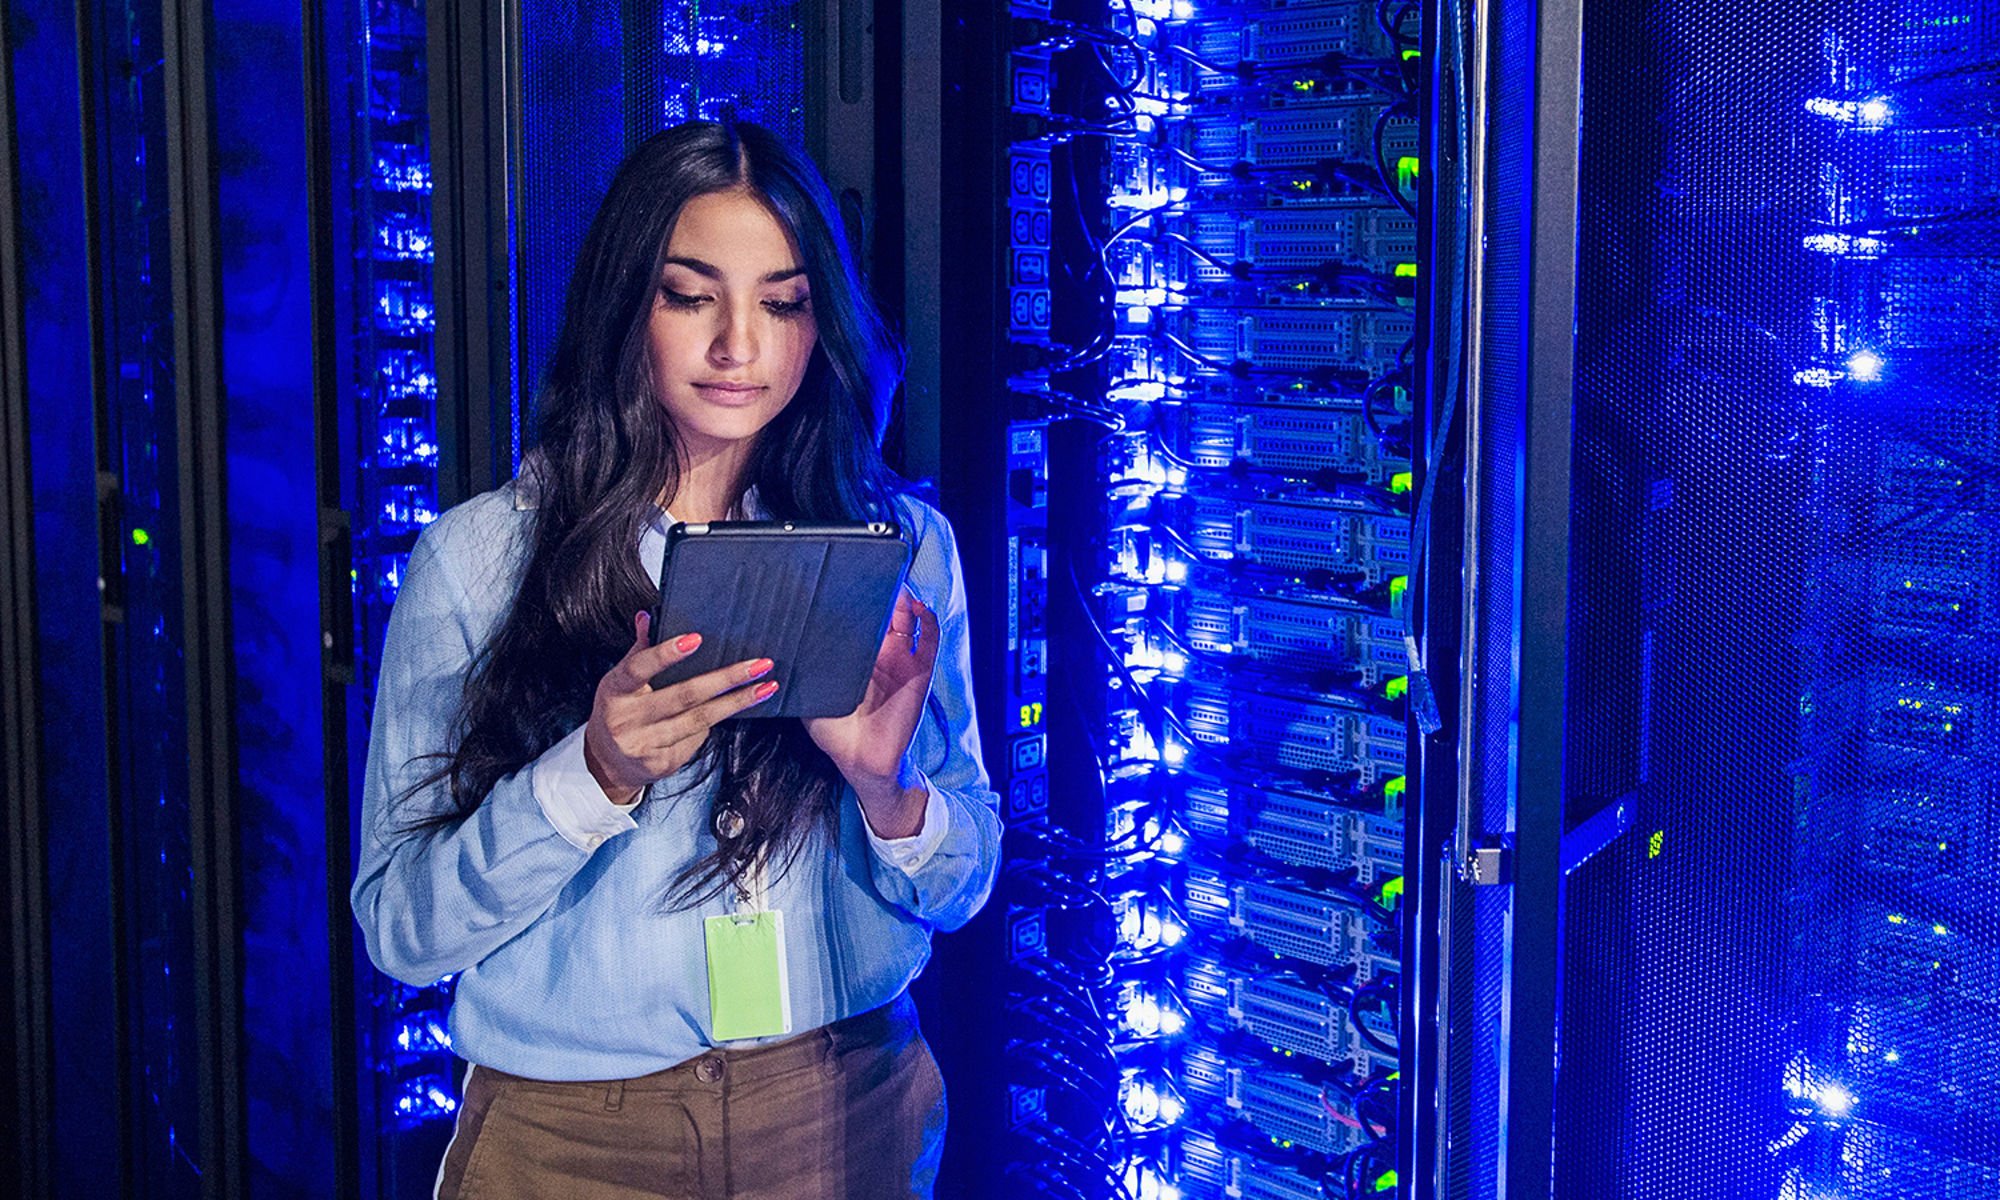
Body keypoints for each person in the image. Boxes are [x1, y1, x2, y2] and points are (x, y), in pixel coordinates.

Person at [351, 120, 1002, 1200]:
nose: (737, 346)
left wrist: (888, 790)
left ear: (819, 321)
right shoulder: (479, 561)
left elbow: (964, 882)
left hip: (844, 1108)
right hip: (573, 1141)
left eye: (782, 302)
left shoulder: (905, 549)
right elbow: (401, 930)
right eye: (690, 295)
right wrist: (591, 774)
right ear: (624, 307)